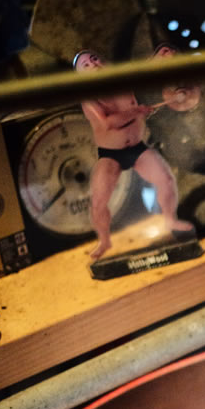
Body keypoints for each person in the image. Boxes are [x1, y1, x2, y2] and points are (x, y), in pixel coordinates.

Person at [73, 49, 195, 260]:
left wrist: (159, 58)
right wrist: (137, 111)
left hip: (137, 147)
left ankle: (170, 219)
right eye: (86, 65)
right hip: (111, 153)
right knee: (99, 203)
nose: (94, 64)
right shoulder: (89, 98)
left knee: (166, 180)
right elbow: (108, 123)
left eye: (95, 59)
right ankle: (104, 241)